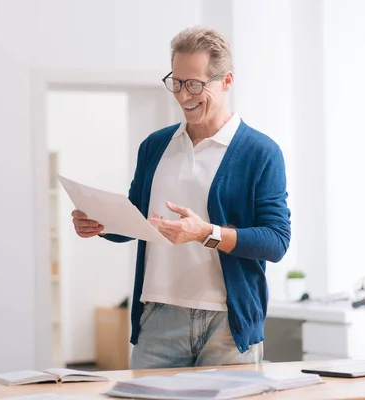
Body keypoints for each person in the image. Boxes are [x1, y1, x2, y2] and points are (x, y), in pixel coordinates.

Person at [71, 26, 291, 369]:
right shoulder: (155, 146)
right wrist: (98, 224)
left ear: (226, 81)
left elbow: (276, 241)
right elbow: (135, 221)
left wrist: (206, 232)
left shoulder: (260, 152)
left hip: (228, 326)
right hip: (157, 319)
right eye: (176, 82)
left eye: (195, 84)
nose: (183, 94)